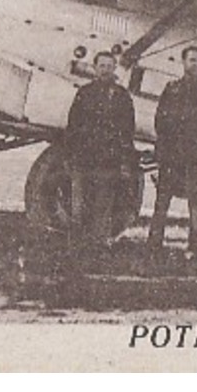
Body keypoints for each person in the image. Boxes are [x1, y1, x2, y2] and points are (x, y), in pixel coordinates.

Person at [146, 45, 197, 260]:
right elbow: (160, 121)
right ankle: (154, 242)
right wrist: (160, 152)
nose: (195, 64)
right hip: (172, 152)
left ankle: (196, 247)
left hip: (196, 154)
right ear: (183, 62)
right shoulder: (172, 89)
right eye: (191, 60)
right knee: (162, 200)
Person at [62, 50, 136, 250]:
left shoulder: (122, 97)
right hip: (83, 159)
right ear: (95, 69)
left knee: (102, 207)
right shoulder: (84, 93)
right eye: (101, 66)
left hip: (108, 161)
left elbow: (127, 132)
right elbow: (73, 126)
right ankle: (76, 248)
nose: (105, 70)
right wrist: (69, 156)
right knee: (79, 206)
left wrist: (125, 162)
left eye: (109, 66)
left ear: (114, 69)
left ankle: (97, 249)